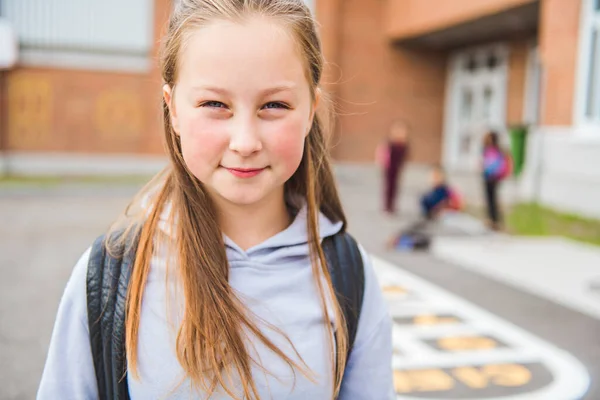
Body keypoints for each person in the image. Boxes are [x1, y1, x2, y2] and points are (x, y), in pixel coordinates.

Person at [37, 1, 393, 399]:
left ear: (311, 109)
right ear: (172, 110)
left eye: (274, 105)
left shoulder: (348, 275)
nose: (245, 142)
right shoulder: (111, 275)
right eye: (214, 105)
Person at [376, 119, 410, 214]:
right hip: (389, 168)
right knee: (388, 186)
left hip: (397, 168)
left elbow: (405, 156)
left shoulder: (404, 144)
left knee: (395, 187)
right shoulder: (390, 143)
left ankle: (393, 205)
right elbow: (383, 154)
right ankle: (387, 205)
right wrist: (382, 163)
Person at [482, 130, 510, 231]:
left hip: (493, 177)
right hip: (488, 177)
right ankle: (491, 219)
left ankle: (495, 220)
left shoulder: (495, 150)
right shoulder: (488, 149)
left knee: (493, 199)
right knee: (489, 199)